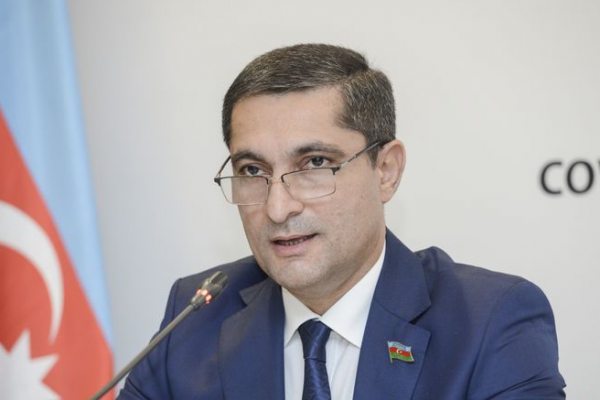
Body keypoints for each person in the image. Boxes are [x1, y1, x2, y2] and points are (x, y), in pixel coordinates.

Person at [117, 43, 565, 400]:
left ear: (385, 170)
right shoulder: (194, 316)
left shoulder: (489, 321)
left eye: (314, 163)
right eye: (252, 170)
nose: (277, 209)